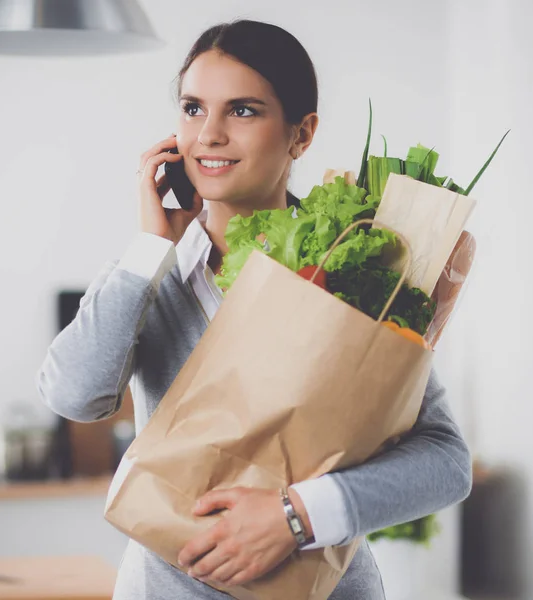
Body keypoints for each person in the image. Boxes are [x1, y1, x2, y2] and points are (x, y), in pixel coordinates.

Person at [36, 19, 473, 600]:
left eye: (242, 110)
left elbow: (446, 462)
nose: (209, 135)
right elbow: (74, 395)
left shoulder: (355, 268)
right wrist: (149, 250)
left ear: (302, 133)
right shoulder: (152, 271)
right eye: (193, 109)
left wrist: (297, 515)